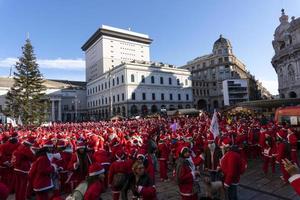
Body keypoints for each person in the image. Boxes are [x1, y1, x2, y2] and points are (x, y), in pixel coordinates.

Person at [12, 136, 36, 200]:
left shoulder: (20, 147)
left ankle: (17, 198)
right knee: (23, 186)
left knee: (18, 185)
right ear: (29, 144)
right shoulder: (26, 149)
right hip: (23, 170)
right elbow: (33, 158)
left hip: (16, 168)